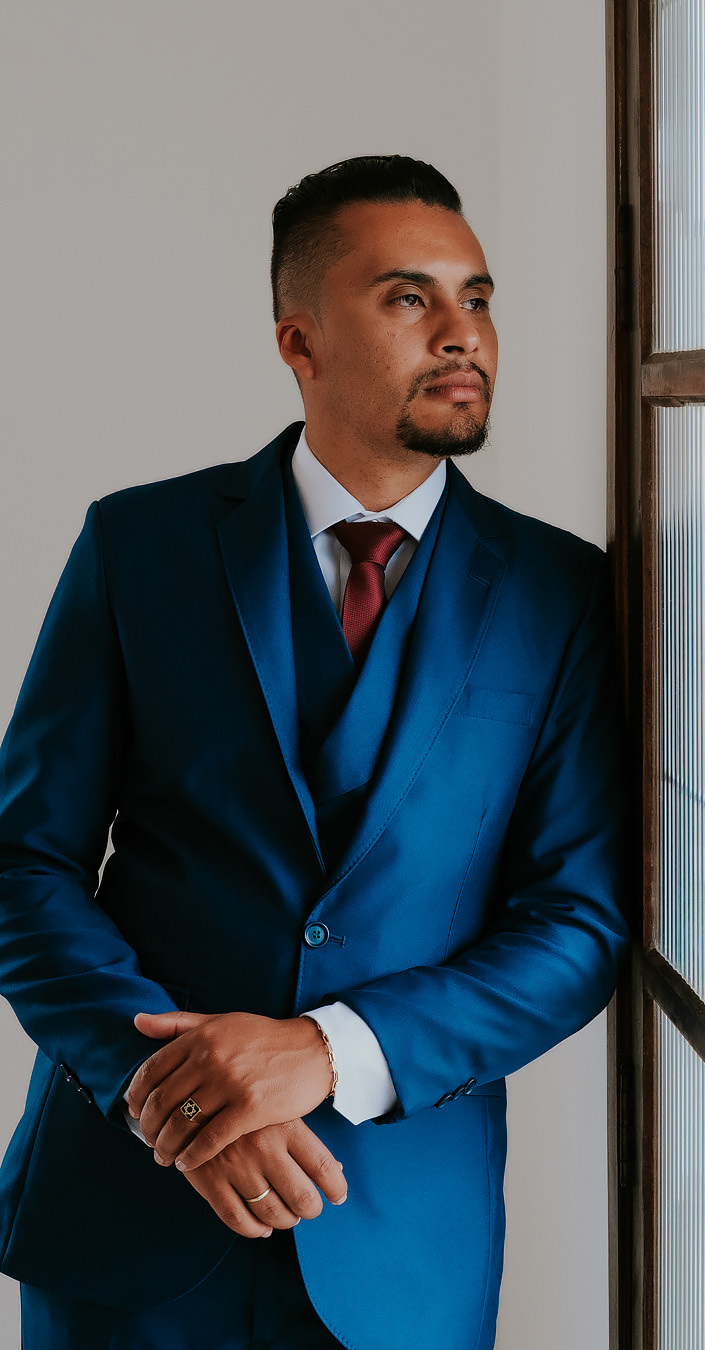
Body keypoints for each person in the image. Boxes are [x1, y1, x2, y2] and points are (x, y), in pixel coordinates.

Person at [0, 155, 628, 1350]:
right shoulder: (141, 547)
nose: (463, 334)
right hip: (131, 1217)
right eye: (409, 299)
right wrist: (173, 1100)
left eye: (479, 299)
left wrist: (328, 1053)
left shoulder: (561, 593)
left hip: (397, 1236)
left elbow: (579, 924)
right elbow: (22, 863)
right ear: (300, 338)